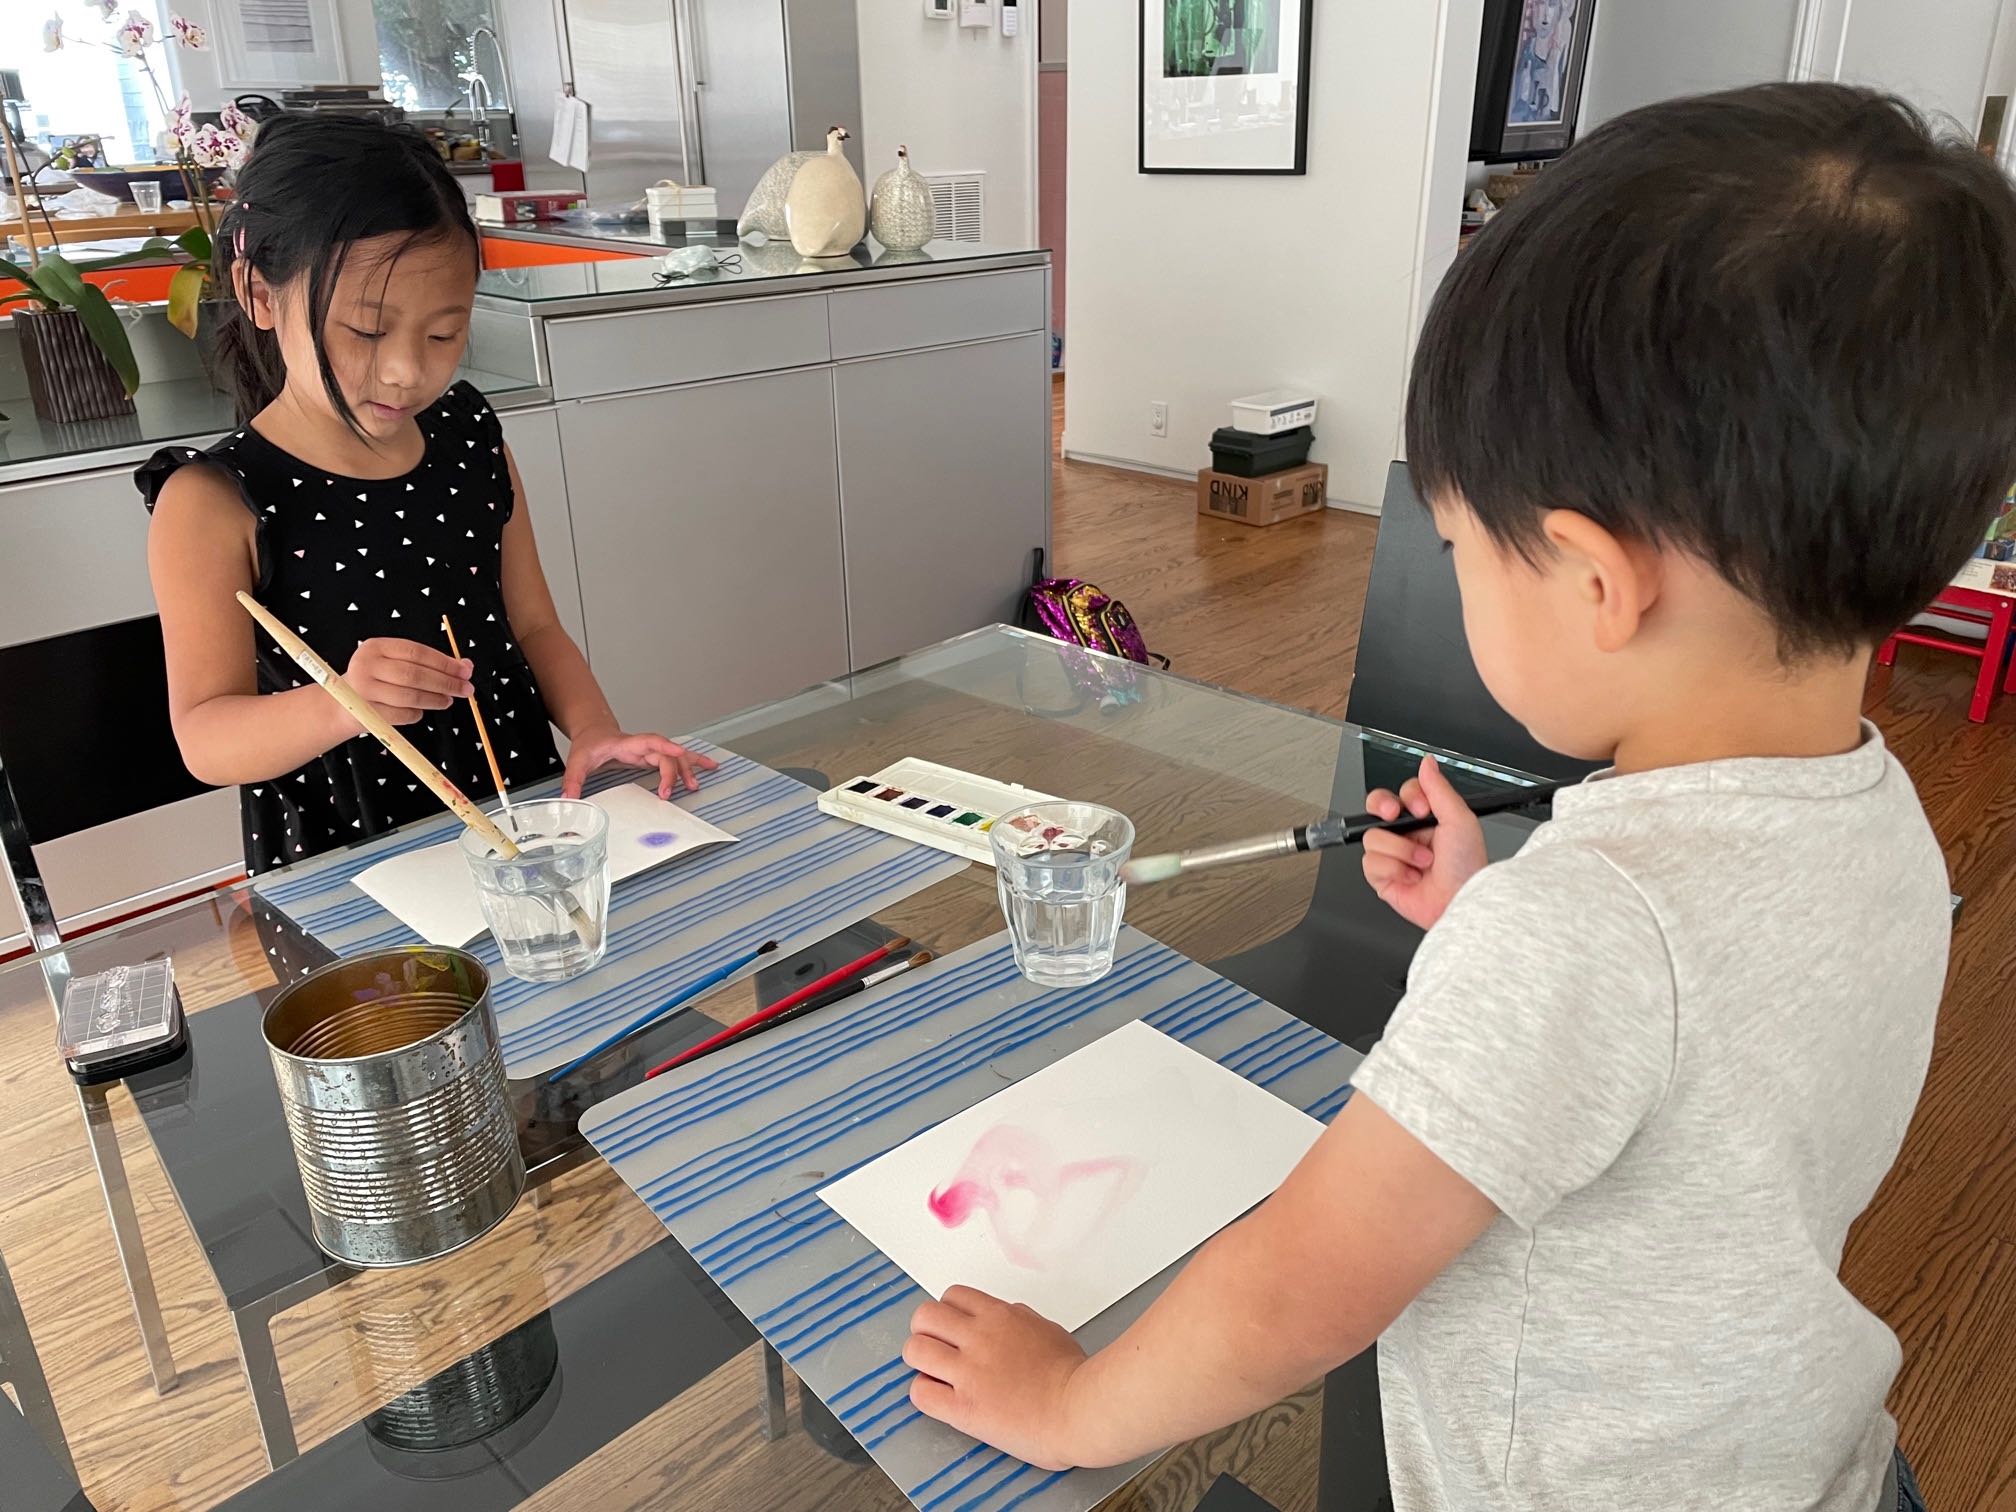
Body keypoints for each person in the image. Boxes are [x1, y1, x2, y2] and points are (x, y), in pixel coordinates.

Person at [901, 82, 2016, 1512]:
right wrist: (1496, 908)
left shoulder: (1579, 938)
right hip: (1812, 1468)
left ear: (1596, 581)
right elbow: (1704, 1076)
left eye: (1459, 546)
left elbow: (1304, 1288)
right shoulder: (1887, 824)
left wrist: (1070, 1403)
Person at [142, 115, 712, 873]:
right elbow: (206, 738)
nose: (409, 371)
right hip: (351, 855)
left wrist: (595, 733)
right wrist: (341, 702)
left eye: (444, 334)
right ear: (260, 293)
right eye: (367, 332)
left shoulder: (469, 434)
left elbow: (534, 627)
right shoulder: (214, 500)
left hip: (524, 812)